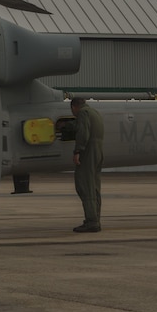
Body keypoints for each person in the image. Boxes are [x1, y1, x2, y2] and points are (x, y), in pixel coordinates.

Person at [70, 96, 104, 232]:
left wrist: (78, 150)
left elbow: (83, 133)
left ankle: (91, 221)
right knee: (95, 187)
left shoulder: (83, 113)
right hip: (98, 152)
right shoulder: (95, 113)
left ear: (74, 107)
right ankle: (95, 218)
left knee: (85, 185)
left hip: (88, 152)